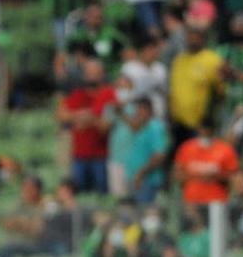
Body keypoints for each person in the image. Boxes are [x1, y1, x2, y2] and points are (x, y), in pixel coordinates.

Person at [58, 58, 117, 194]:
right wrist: (82, 115)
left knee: (102, 195)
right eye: (89, 72)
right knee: (81, 195)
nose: (91, 76)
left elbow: (105, 125)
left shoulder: (108, 94)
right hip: (79, 156)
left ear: (102, 74)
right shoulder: (78, 95)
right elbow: (61, 114)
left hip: (101, 156)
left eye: (95, 73)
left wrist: (88, 118)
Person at [168, 22, 225, 150]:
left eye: (195, 37)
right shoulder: (179, 60)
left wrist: (208, 119)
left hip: (200, 125)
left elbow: (220, 93)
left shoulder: (212, 60)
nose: (191, 40)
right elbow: (173, 89)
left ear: (203, 39)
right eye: (189, 37)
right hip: (178, 124)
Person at [115, 97, 170, 204]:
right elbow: (133, 125)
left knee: (145, 214)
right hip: (136, 180)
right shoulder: (142, 127)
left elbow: (159, 156)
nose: (137, 113)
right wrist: (120, 113)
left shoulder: (155, 128)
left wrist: (141, 173)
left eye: (139, 110)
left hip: (147, 181)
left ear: (148, 110)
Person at [173, 120, 239, 204]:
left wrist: (215, 176)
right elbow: (177, 175)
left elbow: (234, 176)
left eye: (207, 131)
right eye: (202, 131)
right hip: (191, 201)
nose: (204, 133)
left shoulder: (225, 150)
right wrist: (198, 176)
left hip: (217, 200)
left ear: (213, 131)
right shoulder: (186, 148)